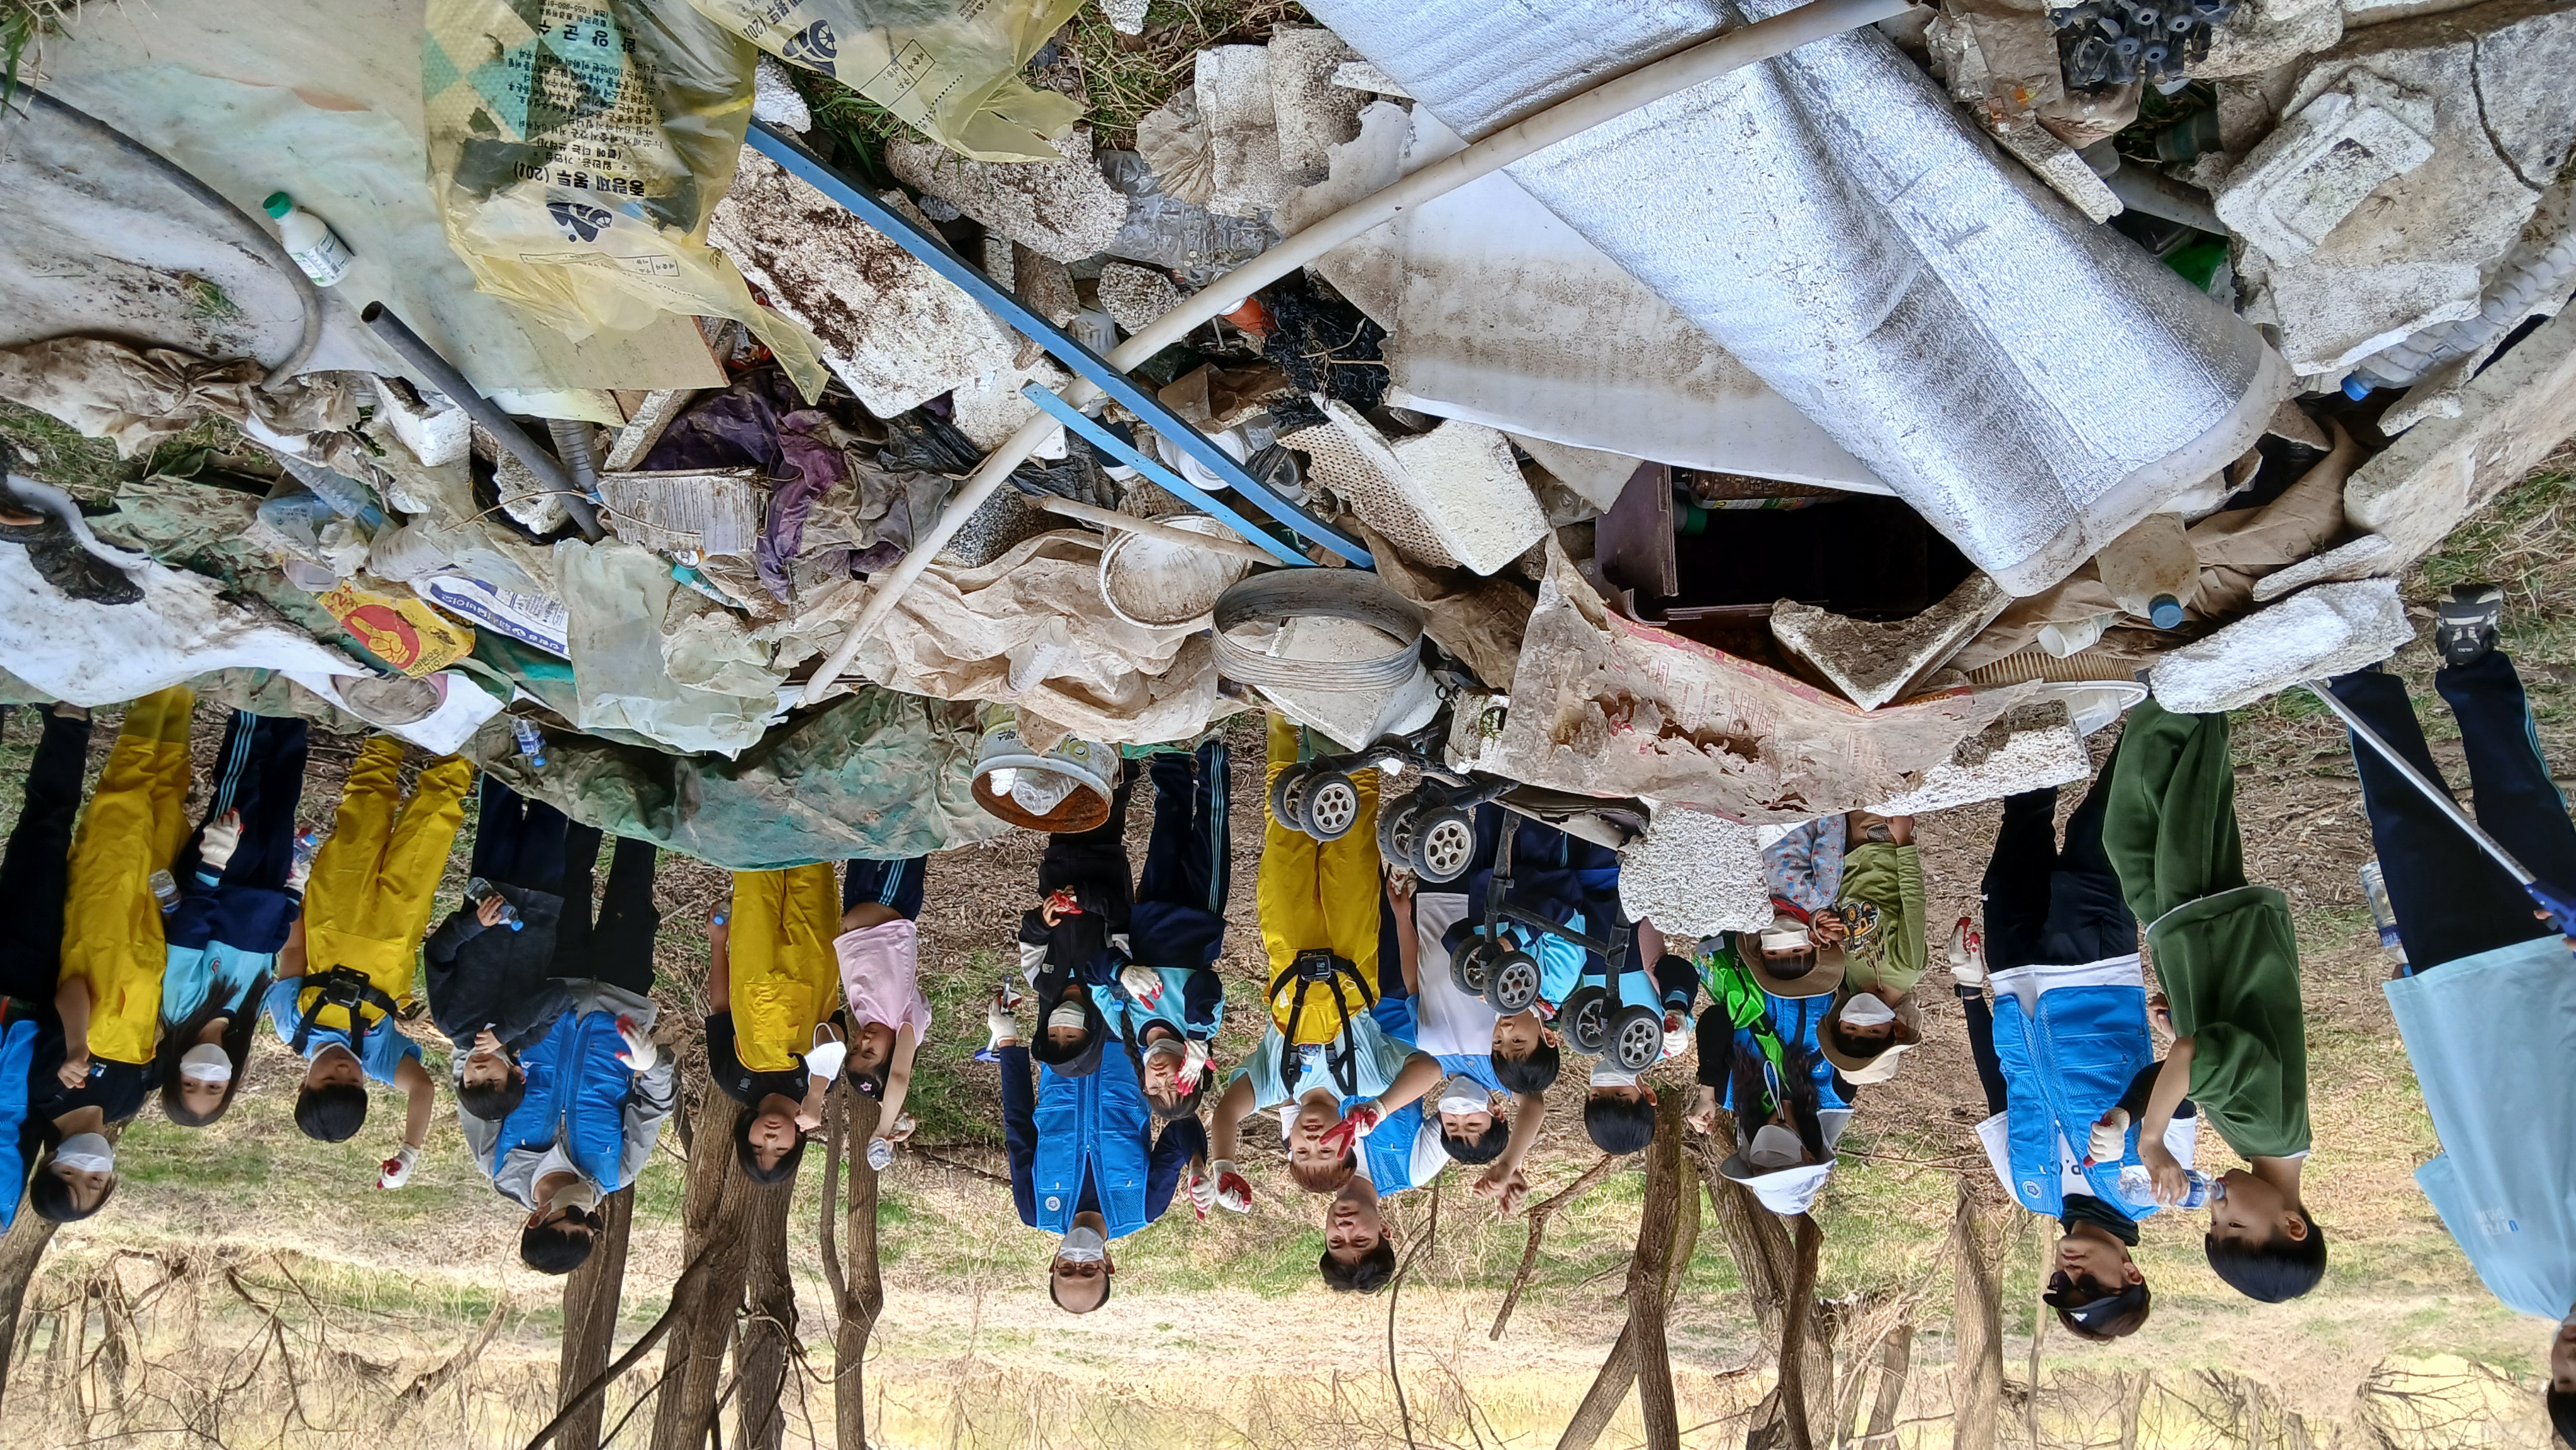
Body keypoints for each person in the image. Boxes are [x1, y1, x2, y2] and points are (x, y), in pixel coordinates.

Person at [2325, 587, 2576, 1431]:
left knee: (2403, 821)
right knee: (2521, 801)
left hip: (2460, 998)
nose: (2573, 1366)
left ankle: (2354, 668)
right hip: (2562, 962)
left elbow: (2460, 1148)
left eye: (2565, 1387)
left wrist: (2435, 1024)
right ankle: (2472, 662)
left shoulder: (2510, 1283)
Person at [1958, 771, 2200, 1342]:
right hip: (2093, 968)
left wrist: (1971, 991)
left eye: (2062, 1290)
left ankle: (2053, 701)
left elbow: (2001, 1091)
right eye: (2090, 1286)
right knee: (2109, 817)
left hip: (2014, 975)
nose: (2070, 1277)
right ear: (2131, 1272)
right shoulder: (2157, 1185)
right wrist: (2128, 1119)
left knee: (2025, 810)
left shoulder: (2030, 1189)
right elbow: (2173, 1074)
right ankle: (2156, 704)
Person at [2102, 697, 2320, 1302]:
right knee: (2189, 787)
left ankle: (2175, 688)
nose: (2220, 1210)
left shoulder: (2261, 1141)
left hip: (2195, 938)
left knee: (2130, 835)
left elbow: (2217, 1045)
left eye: (2214, 1225)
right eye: (2236, 1223)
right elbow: (2197, 1057)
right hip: (2214, 928)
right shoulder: (2267, 1128)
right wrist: (2150, 1140)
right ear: (2292, 1224)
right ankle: (2195, 680)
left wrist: (2178, 1027)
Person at [1208, 720, 1437, 1201]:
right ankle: (1343, 729)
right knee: (1351, 840)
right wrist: (1380, 1108)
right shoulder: (1369, 1078)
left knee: (1285, 832)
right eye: (1328, 1151)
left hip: (1289, 943)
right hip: (1353, 947)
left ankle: (1279, 714)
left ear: (1286, 1141)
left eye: (1302, 1151)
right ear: (1349, 1143)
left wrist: (1224, 1164)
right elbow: (1430, 1071)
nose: (1313, 1143)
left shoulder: (1275, 1083)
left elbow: (1227, 1112)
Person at [268, 735, 469, 1185]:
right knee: (432, 827)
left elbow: (294, 952)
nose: (342, 1072)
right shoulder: (378, 1059)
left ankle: (388, 732)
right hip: (398, 921)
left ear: (303, 1084)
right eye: (351, 1085)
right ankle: (461, 743)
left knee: (364, 813)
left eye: (327, 1083)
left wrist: (294, 895)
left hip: (334, 906)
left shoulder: (290, 1026)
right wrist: (410, 1152)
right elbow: (422, 1088)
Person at [158, 710, 313, 1127]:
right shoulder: (246, 1015)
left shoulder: (180, 1008)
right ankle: (296, 709)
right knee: (284, 789)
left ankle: (257, 697)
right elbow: (268, 951)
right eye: (215, 1089)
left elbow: (190, 932)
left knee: (245, 775)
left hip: (224, 870)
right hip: (269, 885)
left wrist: (212, 864)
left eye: (191, 1084)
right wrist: (294, 894)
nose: (205, 1077)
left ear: (175, 1073)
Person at [54, 686, 197, 1128]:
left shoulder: (47, 1099)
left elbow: (68, 992)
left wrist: (77, 1047)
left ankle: (156, 688)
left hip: (102, 919)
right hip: (153, 929)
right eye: (96, 1181)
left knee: (126, 799)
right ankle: (183, 692)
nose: (90, 1169)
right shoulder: (131, 1099)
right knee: (168, 802)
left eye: (75, 1176)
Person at [1097, 741, 1232, 1117]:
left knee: (1169, 814)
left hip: (1152, 909)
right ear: (1193, 1071)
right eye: (1175, 1083)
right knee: (1211, 819)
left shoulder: (1124, 1022)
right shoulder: (1202, 1026)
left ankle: (1169, 747)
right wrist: (1197, 1037)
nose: (1161, 1078)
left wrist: (1120, 971)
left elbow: (1093, 966)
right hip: (1201, 911)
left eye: (1155, 1088)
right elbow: (1206, 988)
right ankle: (1212, 746)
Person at [706, 861, 844, 1183]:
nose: (769, 1140)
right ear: (797, 1142)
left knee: (756, 862)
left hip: (752, 950)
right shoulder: (820, 1085)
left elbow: (721, 1007)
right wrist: (815, 1094)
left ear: (744, 1135)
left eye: (756, 1147)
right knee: (812, 860)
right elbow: (834, 1030)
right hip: (814, 952)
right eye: (780, 1150)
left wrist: (717, 944)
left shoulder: (731, 1080)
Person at [835, 856, 929, 1164]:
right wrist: (883, 1129)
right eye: (870, 1052)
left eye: (855, 1047)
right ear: (890, 1057)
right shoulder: (906, 1019)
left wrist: (891, 1110)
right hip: (892, 898)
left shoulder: (869, 1019)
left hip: (856, 897)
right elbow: (899, 1075)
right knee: (907, 831)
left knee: (867, 823)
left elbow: (886, 1083)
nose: (862, 1040)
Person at [1820, 810, 1925, 1083]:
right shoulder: (1907, 967)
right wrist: (1903, 840)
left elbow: (1850, 929)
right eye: (1873, 1032)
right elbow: (1914, 904)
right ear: (1897, 1029)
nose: (1862, 1022)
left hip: (1839, 862)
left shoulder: (1852, 984)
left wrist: (1829, 930)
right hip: (1881, 845)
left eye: (1851, 1028)